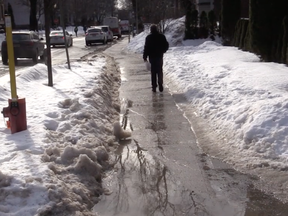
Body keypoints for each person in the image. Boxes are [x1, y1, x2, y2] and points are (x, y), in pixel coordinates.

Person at [143, 24, 169, 92]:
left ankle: (154, 86)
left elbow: (146, 48)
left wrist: (145, 56)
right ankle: (160, 83)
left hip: (152, 57)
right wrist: (163, 51)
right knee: (159, 70)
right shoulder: (161, 36)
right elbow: (166, 45)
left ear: (151, 30)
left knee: (153, 71)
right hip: (159, 56)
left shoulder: (148, 37)